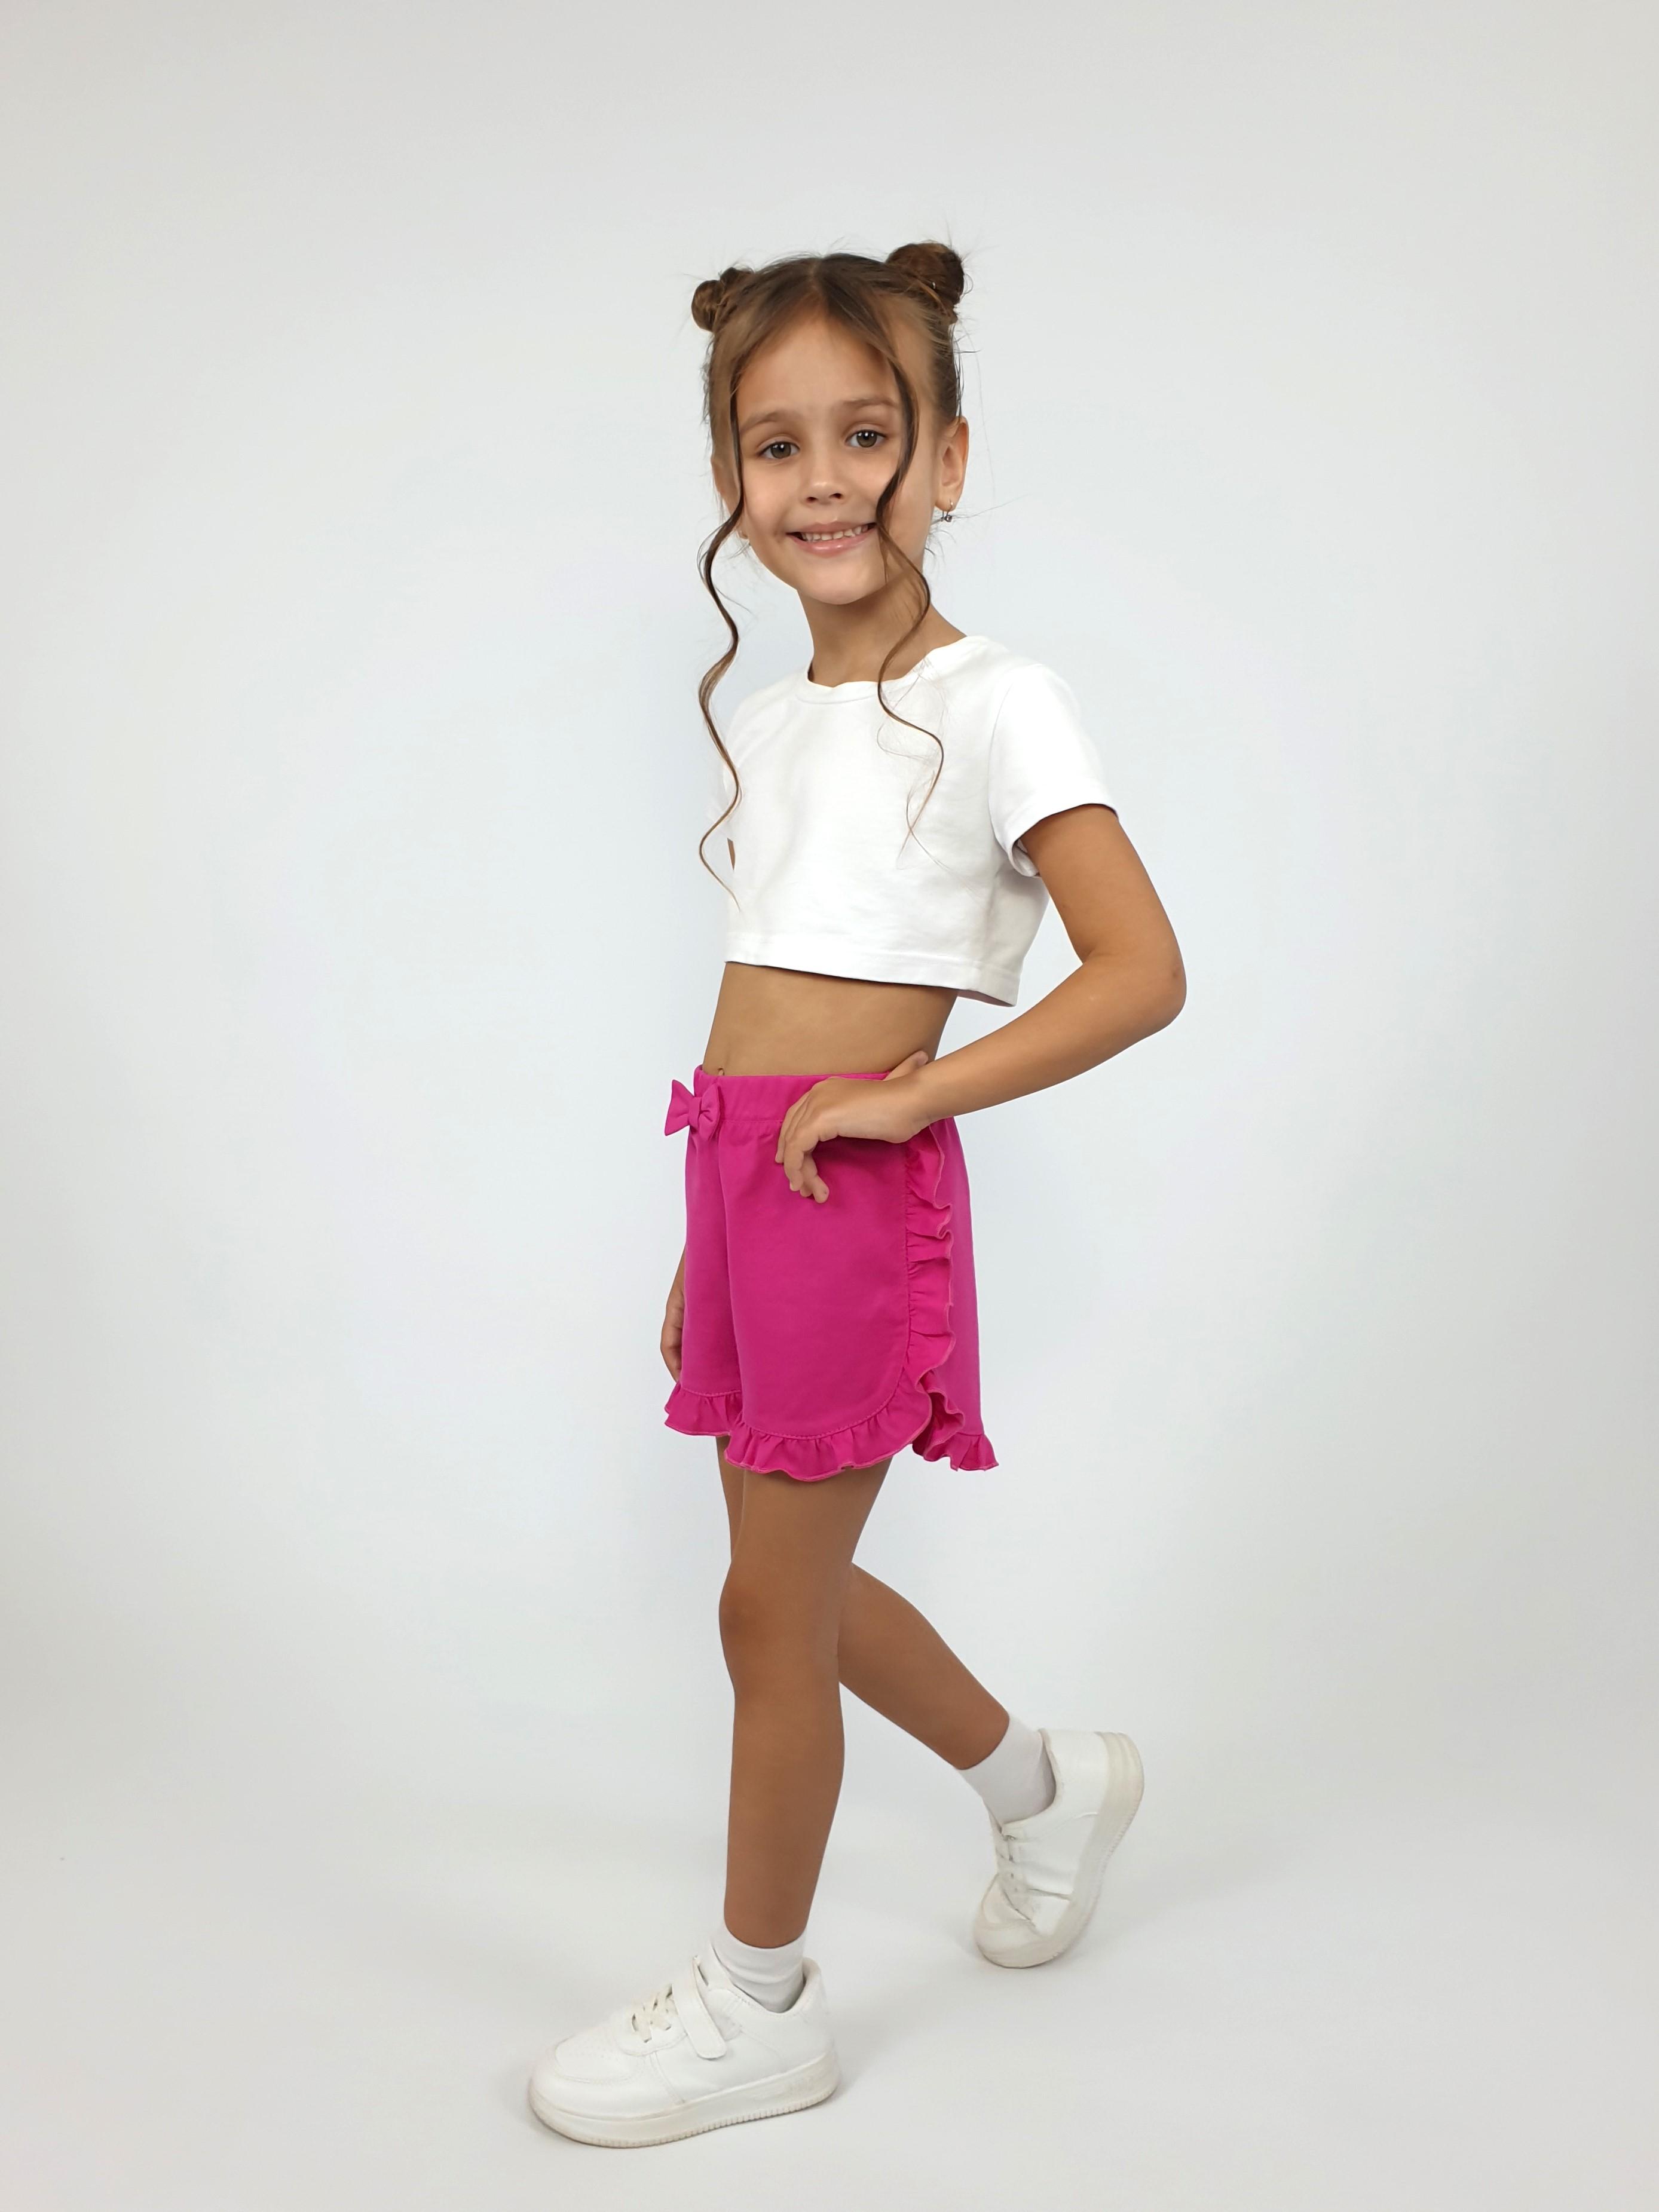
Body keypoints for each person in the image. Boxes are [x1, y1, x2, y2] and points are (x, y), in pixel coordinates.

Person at [528, 241, 1186, 2149]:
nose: (821, 482)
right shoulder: (778, 715)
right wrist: (704, 1231)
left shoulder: (1000, 701)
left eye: (867, 437)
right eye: (775, 445)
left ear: (947, 458)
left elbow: (1141, 971)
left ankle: (759, 2005)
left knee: (768, 1610)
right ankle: (1043, 1787)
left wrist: (915, 1094)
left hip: (848, 1189)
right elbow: (762, 982)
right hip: (746, 1178)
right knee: (777, 1599)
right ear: (729, 477)